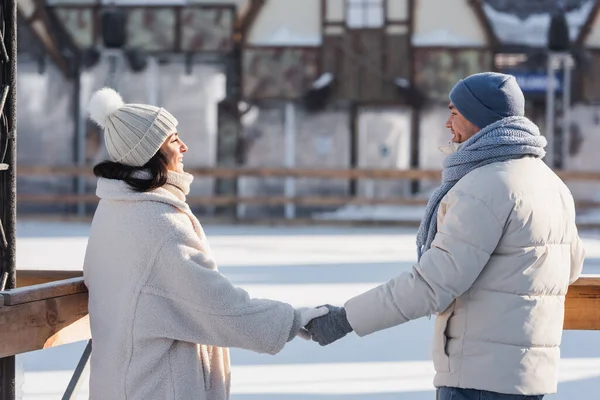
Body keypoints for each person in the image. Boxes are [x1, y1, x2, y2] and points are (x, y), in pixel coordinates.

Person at [306, 72, 585, 400]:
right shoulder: (550, 183)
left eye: (455, 112)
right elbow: (571, 268)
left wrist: (345, 318)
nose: (447, 123)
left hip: (480, 381)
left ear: (480, 117)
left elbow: (432, 284)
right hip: (526, 377)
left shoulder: (487, 186)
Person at [82, 87, 327, 400]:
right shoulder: (157, 225)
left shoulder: (115, 209)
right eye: (173, 140)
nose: (184, 146)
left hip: (122, 382)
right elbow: (218, 307)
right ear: (149, 153)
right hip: (154, 387)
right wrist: (292, 320)